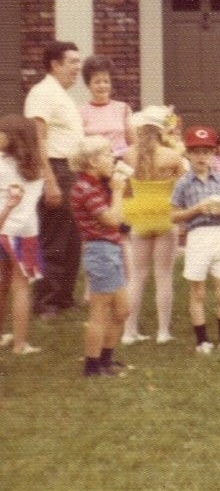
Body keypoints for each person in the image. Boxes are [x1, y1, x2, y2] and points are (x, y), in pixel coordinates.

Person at [23, 40, 84, 320]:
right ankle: (45, 302)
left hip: (71, 170)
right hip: (56, 170)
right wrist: (49, 180)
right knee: (54, 238)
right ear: (55, 64)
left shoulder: (61, 94)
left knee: (72, 238)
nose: (77, 67)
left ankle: (63, 298)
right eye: (72, 62)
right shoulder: (43, 93)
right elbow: (38, 139)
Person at [170, 125, 220, 354]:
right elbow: (173, 215)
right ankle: (202, 341)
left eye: (206, 152)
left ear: (213, 153)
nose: (202, 156)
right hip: (198, 236)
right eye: (196, 152)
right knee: (198, 291)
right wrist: (197, 210)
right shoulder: (183, 183)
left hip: (219, 235)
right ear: (188, 154)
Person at [120, 105, 185, 345]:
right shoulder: (172, 156)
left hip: (139, 216)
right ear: (161, 130)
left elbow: (124, 187)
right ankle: (163, 332)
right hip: (165, 216)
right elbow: (181, 185)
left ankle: (129, 332)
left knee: (137, 276)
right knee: (164, 275)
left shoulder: (128, 154)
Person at [69, 135, 130, 376]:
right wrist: (117, 191)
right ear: (92, 161)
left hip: (110, 250)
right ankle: (92, 366)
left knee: (122, 310)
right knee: (100, 312)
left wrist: (117, 187)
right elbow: (112, 220)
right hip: (100, 251)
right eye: (106, 154)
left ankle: (106, 359)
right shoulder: (85, 189)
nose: (112, 158)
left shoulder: (97, 185)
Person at [0, 116, 45, 355]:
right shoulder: (35, 170)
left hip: (3, 229)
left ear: (13, 139)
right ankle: (20, 344)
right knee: (21, 286)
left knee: (3, 283)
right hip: (24, 232)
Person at [79, 55, 134, 159]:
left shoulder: (123, 109)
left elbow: (133, 144)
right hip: (93, 166)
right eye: (97, 82)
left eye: (106, 81)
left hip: (121, 164)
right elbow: (80, 147)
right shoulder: (80, 112)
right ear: (88, 85)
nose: (102, 86)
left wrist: (116, 152)